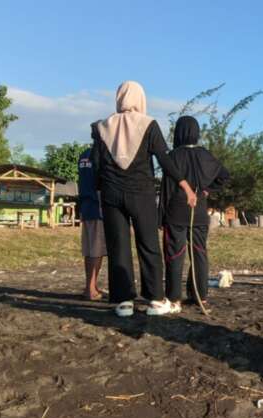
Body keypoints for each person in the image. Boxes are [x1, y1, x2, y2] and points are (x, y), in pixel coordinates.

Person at [91, 81, 198, 317]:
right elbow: (164, 159)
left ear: (119, 98)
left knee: (118, 247)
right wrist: (185, 186)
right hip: (142, 194)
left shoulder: (101, 126)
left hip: (111, 194)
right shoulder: (148, 124)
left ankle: (124, 302)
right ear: (140, 98)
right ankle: (156, 300)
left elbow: (96, 164)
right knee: (148, 245)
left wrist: (99, 191)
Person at [159, 115, 229, 311]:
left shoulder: (173, 156)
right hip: (198, 211)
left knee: (175, 254)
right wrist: (206, 190)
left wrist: (160, 216)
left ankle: (174, 297)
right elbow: (224, 176)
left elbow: (166, 189)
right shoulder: (205, 155)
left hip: (175, 212)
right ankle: (201, 296)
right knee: (199, 253)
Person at [78, 124, 106, 301]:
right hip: (99, 207)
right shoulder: (102, 155)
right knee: (97, 249)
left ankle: (91, 285)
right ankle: (91, 288)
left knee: (89, 250)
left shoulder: (83, 155)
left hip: (86, 205)